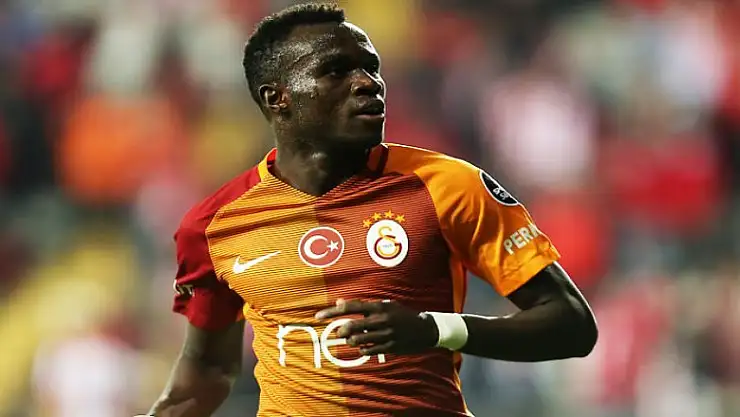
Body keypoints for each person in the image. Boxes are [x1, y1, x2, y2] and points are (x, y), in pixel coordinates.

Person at [140, 3, 598, 416]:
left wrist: (436, 330)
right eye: (336, 71)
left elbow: (572, 324)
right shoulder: (213, 225)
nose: (368, 83)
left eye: (371, 68)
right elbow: (208, 372)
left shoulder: (447, 186)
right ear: (277, 97)